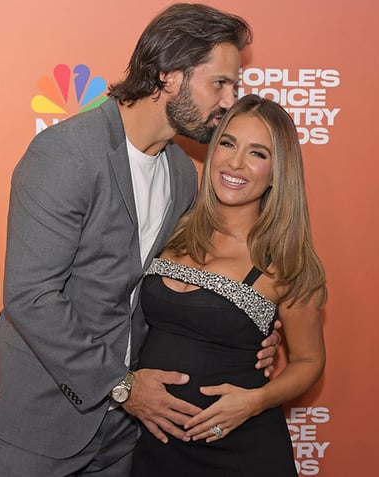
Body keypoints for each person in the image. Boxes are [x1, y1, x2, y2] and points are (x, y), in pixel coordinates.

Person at [0, 4, 282, 476]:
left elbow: (179, 283)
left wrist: (251, 334)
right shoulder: (67, 154)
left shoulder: (180, 173)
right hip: (44, 413)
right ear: (168, 75)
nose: (229, 100)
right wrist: (122, 385)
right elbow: (31, 296)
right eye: (220, 83)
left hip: (128, 429)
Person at [130, 94, 327, 476]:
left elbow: (309, 360)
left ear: (277, 172)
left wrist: (255, 401)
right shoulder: (170, 225)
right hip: (154, 449)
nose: (236, 163)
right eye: (228, 143)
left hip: (240, 453)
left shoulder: (285, 264)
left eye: (258, 153)